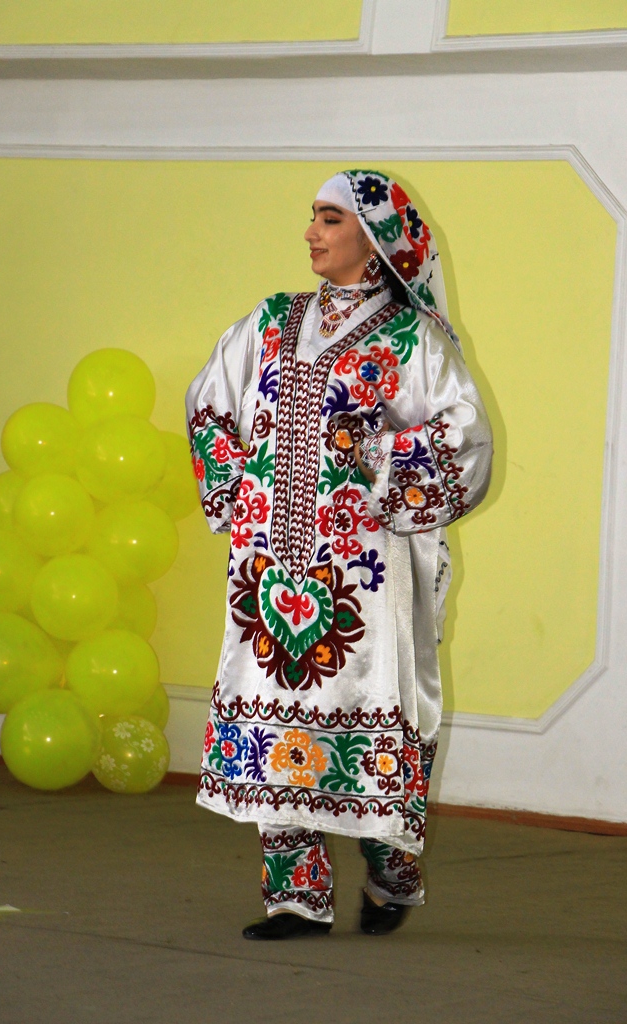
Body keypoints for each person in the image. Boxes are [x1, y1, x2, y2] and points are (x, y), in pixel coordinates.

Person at [186, 169, 492, 940]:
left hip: (368, 571)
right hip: (269, 568)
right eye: (312, 216)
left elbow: (463, 438)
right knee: (276, 711)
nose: (310, 232)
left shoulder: (409, 339)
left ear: (375, 236)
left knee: (372, 711)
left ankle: (392, 873)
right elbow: (209, 402)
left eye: (329, 218)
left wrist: (375, 461)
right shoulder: (271, 321)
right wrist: (243, 485)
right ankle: (295, 897)